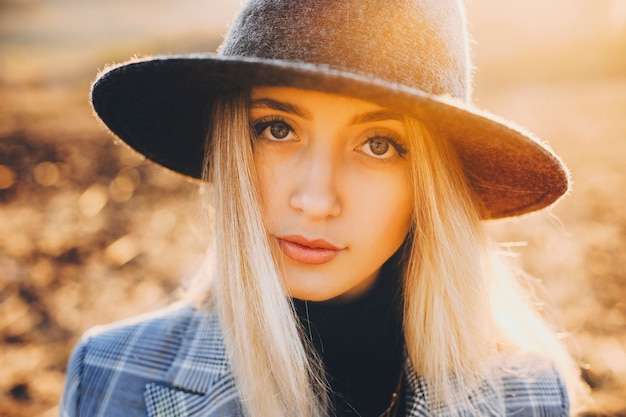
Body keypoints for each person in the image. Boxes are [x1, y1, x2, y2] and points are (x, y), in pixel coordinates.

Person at [60, 0, 589, 416]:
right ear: (230, 148)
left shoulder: (527, 397)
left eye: (378, 144)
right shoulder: (115, 375)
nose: (315, 200)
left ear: (431, 185)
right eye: (277, 129)